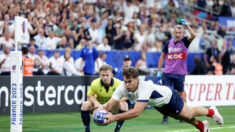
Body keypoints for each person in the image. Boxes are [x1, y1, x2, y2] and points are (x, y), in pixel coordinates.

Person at [100, 67, 223, 132]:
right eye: (125, 81)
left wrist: (114, 118)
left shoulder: (144, 87)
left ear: (137, 80)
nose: (127, 85)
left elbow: (136, 112)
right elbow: (110, 104)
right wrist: (99, 109)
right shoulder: (122, 87)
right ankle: (202, 126)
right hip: (158, 104)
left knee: (188, 113)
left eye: (130, 82)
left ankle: (211, 112)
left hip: (169, 97)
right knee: (179, 117)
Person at [157, 20, 196, 124]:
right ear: (173, 33)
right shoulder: (168, 43)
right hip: (167, 73)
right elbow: (162, 56)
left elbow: (194, 35)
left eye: (180, 33)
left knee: (181, 95)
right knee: (165, 95)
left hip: (179, 73)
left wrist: (187, 24)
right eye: (176, 32)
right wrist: (159, 70)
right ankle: (165, 117)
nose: (178, 34)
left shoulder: (185, 42)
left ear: (182, 33)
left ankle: (186, 115)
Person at [81, 64, 128, 132]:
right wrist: (96, 103)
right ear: (100, 74)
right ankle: (87, 129)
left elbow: (125, 96)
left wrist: (112, 104)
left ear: (111, 75)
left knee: (124, 105)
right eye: (103, 75)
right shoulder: (95, 83)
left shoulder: (119, 83)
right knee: (85, 105)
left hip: (113, 107)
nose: (105, 78)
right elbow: (90, 95)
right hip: (99, 106)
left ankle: (117, 129)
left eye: (107, 75)